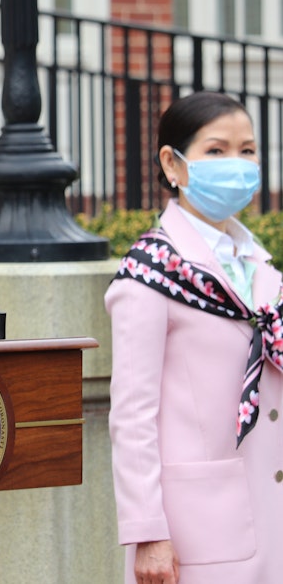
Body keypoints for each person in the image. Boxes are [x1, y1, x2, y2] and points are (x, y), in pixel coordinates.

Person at [106, 91, 283, 583]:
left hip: (273, 514)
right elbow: (132, 416)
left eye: (247, 151)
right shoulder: (149, 275)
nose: (237, 164)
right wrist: (147, 531)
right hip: (197, 530)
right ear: (173, 164)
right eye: (216, 150)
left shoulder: (260, 268)